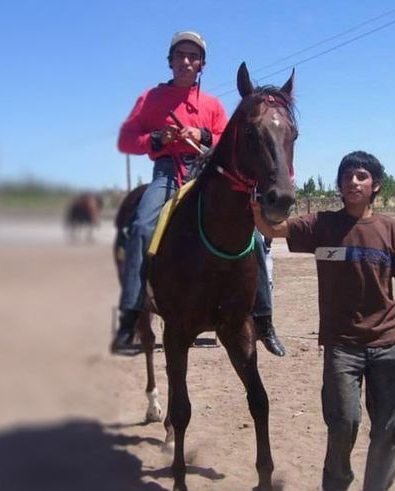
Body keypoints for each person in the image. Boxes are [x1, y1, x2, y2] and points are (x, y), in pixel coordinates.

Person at [252, 151, 395, 490]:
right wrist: (256, 206)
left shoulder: (390, 230)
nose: (353, 181)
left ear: (376, 184)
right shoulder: (321, 225)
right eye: (347, 176)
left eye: (361, 176)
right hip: (341, 347)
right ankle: (337, 483)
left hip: (387, 345)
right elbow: (271, 227)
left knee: (388, 428)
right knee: (343, 423)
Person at [112, 30, 285, 356]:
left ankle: (263, 318)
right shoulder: (150, 99)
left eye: (193, 57)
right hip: (167, 173)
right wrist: (158, 139)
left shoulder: (213, 105)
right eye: (180, 55)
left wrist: (204, 134)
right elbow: (126, 139)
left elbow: (229, 141)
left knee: (255, 239)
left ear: (202, 64)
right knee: (140, 228)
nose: (186, 62)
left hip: (207, 175)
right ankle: (131, 313)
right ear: (171, 61)